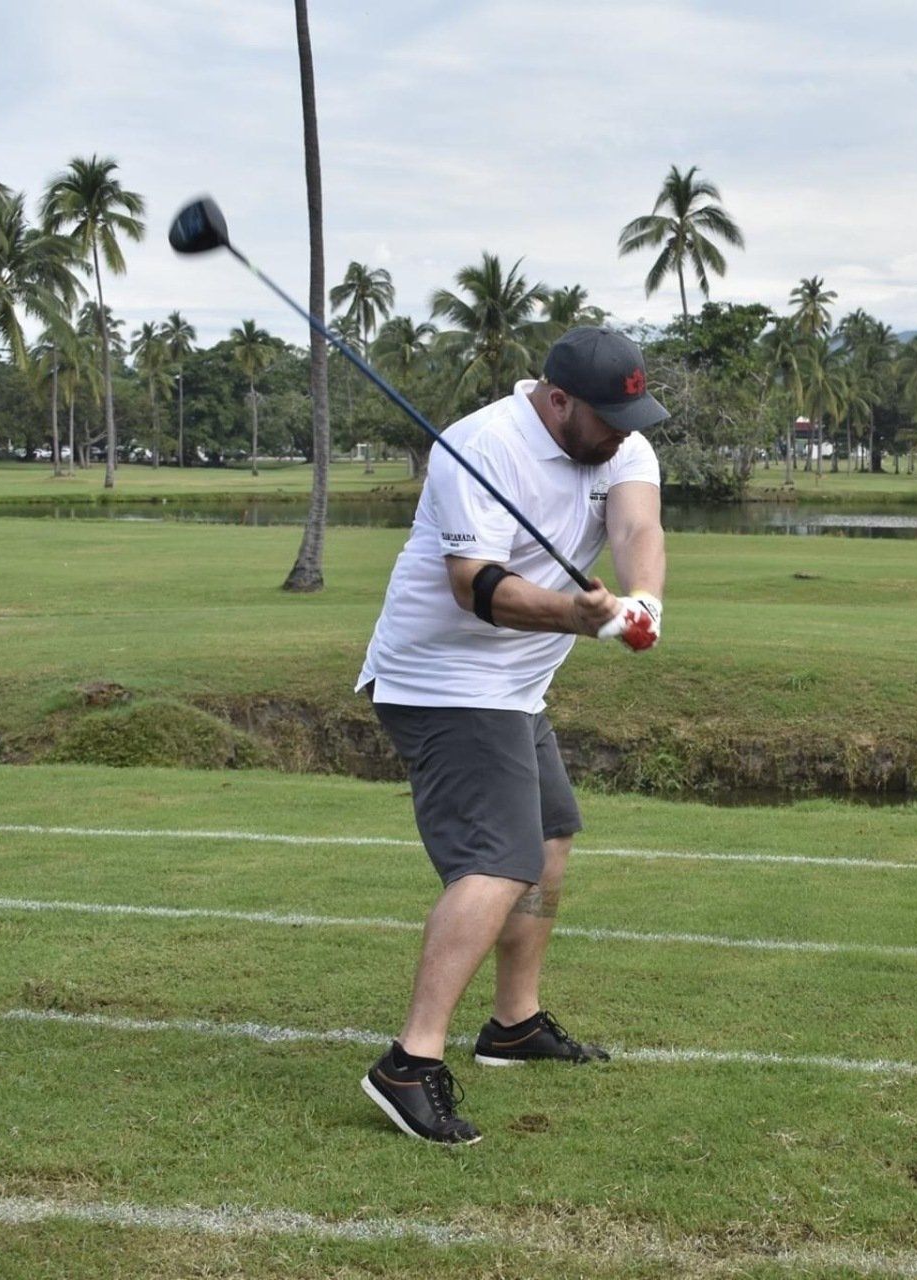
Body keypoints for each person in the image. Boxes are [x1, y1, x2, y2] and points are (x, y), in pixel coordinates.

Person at [354, 326, 667, 1144]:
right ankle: (409, 1064)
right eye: (608, 416)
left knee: (552, 835)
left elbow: (636, 530)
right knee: (499, 858)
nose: (624, 431)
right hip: (442, 681)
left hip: (515, 689)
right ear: (558, 400)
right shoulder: (482, 445)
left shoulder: (618, 442)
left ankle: (514, 1024)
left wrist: (644, 603)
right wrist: (575, 614)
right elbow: (476, 587)